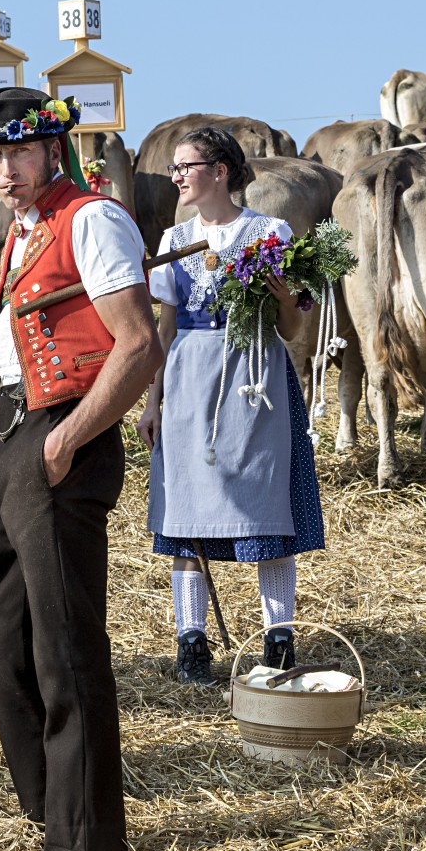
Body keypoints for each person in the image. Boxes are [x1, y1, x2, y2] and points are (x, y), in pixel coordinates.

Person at [0, 87, 163, 851]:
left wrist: (68, 441)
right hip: (7, 436)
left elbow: (139, 345)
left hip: (58, 434)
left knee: (63, 643)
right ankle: (47, 814)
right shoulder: (27, 227)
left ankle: (82, 843)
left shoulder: (91, 218)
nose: (2, 169)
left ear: (52, 151)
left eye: (16, 153)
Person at [135, 126, 325, 686]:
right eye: (173, 168)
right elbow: (166, 330)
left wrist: (279, 289)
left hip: (256, 375)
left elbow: (293, 327)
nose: (175, 177)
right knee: (186, 505)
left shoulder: (271, 233)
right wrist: (153, 401)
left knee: (267, 502)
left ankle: (279, 637)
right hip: (191, 377)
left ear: (219, 171)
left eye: (185, 167)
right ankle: (191, 639)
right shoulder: (175, 238)